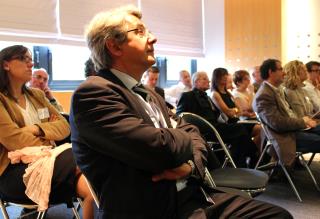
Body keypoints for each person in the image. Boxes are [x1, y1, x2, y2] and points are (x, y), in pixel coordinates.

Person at [70, 5, 291, 219]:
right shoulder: (93, 94)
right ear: (115, 47)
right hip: (153, 209)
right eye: (139, 32)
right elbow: (161, 148)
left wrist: (188, 166)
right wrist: (181, 137)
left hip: (193, 196)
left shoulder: (150, 93)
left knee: (278, 215)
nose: (153, 38)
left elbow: (194, 134)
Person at [0, 45, 94, 219]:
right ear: (6, 65)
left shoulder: (37, 95)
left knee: (94, 188)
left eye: (31, 60)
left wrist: (37, 129)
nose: (31, 64)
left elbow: (65, 127)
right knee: (90, 159)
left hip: (51, 162)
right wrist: (48, 137)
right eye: (24, 59)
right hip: (14, 173)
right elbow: (14, 140)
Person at [253, 59, 320, 167]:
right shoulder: (264, 95)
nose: (284, 73)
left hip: (292, 131)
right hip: (284, 137)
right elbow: (277, 124)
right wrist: (303, 121)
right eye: (280, 69)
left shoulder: (275, 90)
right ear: (271, 72)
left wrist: (304, 122)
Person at [211, 68, 261, 149]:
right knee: (249, 130)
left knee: (260, 128)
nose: (225, 77)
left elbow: (239, 111)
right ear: (216, 77)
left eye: (226, 75)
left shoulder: (229, 93)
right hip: (228, 124)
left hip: (237, 121)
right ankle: (253, 154)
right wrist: (235, 110)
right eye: (222, 75)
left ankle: (256, 154)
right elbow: (229, 113)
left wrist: (235, 111)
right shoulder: (215, 94)